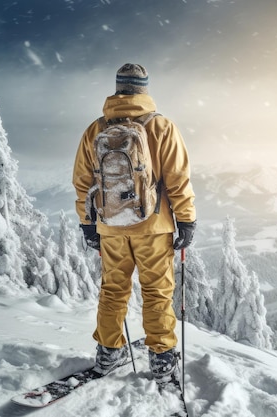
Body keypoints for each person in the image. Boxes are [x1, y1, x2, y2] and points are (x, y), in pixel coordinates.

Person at [72, 63, 196, 390]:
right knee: (157, 291)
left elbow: (83, 183)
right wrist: (186, 219)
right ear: (143, 90)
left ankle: (107, 353)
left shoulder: (96, 129)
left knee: (113, 289)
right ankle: (161, 358)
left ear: (117, 89)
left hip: (110, 226)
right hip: (153, 226)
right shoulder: (161, 126)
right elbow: (178, 178)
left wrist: (89, 224)